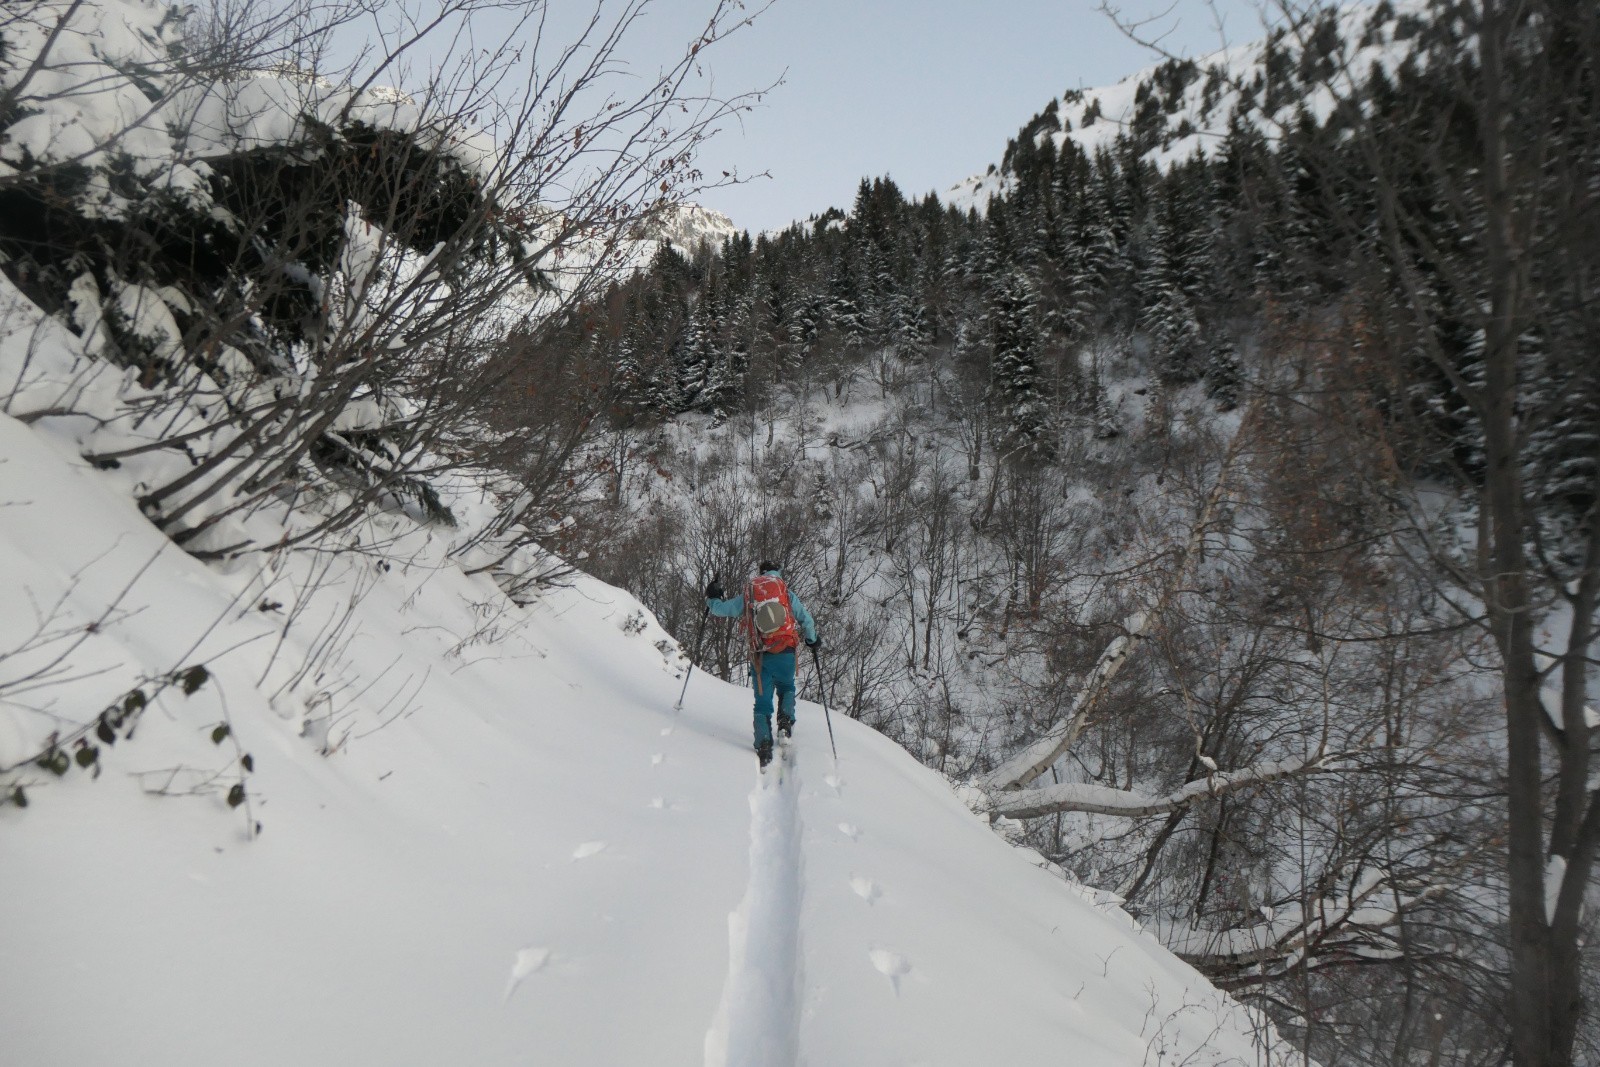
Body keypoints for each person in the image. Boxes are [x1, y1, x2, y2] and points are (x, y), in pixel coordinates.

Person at [705, 560, 819, 767]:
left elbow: (724, 610)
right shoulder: (785, 593)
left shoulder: (751, 593)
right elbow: (806, 619)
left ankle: (763, 745)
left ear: (761, 573)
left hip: (760, 654)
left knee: (762, 699)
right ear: (778, 573)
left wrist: (712, 598)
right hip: (785, 649)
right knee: (786, 687)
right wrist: (812, 639)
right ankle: (785, 725)